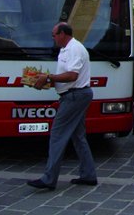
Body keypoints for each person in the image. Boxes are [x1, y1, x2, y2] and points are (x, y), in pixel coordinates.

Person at [27, 22, 97, 190]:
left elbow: (72, 76)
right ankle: (88, 175)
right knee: (78, 136)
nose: (53, 38)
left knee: (58, 135)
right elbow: (67, 78)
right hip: (76, 95)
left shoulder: (74, 49)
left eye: (54, 34)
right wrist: (45, 81)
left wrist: (49, 78)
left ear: (63, 34)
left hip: (74, 97)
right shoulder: (67, 49)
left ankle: (49, 179)